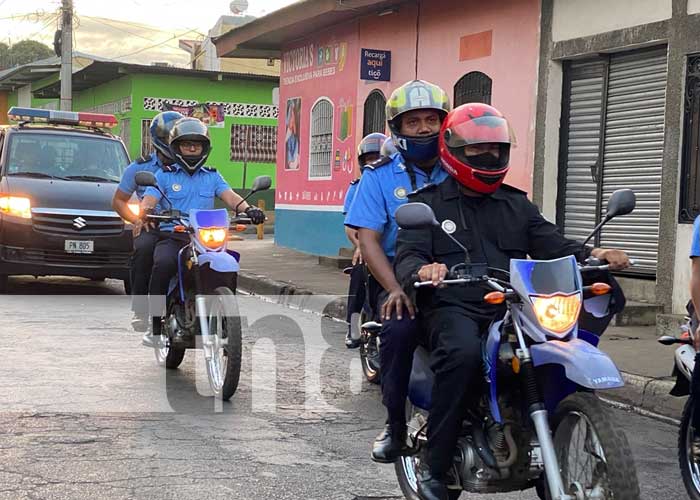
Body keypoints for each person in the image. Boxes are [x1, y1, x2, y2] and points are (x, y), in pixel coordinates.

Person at [393, 102, 630, 500]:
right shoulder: (428, 204)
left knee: (555, 346)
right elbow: (409, 256)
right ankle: (436, 466)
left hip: (514, 307)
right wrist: (424, 270)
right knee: (464, 354)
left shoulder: (516, 204)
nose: (487, 155)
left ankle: (545, 430)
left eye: (495, 148)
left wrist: (595, 255)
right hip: (455, 307)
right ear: (453, 150)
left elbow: (553, 243)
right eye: (475, 149)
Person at [344, 79, 451, 463]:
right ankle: (394, 424)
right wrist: (394, 289)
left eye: (431, 120)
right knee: (400, 328)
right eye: (413, 121)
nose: (423, 128)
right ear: (398, 128)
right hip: (397, 278)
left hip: (452, 279)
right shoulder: (378, 176)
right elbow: (369, 240)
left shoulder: (460, 166)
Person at [138, 117, 265, 346]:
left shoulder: (212, 176)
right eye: (187, 144)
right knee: (164, 263)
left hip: (206, 238)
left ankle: (226, 319)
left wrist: (250, 209)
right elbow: (149, 200)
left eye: (197, 144)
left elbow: (231, 198)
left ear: (205, 148)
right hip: (175, 236)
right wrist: (145, 209)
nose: (192, 148)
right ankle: (154, 324)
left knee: (226, 265)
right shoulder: (164, 176)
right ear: (176, 147)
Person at [113, 111, 184, 332]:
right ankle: (142, 310)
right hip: (152, 225)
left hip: (182, 225)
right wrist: (136, 219)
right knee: (143, 250)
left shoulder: (190, 166)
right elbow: (118, 201)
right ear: (158, 140)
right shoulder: (138, 167)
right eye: (168, 140)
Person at [343, 132, 388, 348]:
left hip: (396, 248)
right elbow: (350, 227)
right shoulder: (356, 187)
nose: (374, 162)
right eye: (369, 159)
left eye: (378, 157)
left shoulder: (395, 181)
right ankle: (352, 327)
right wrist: (361, 246)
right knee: (359, 273)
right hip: (368, 246)